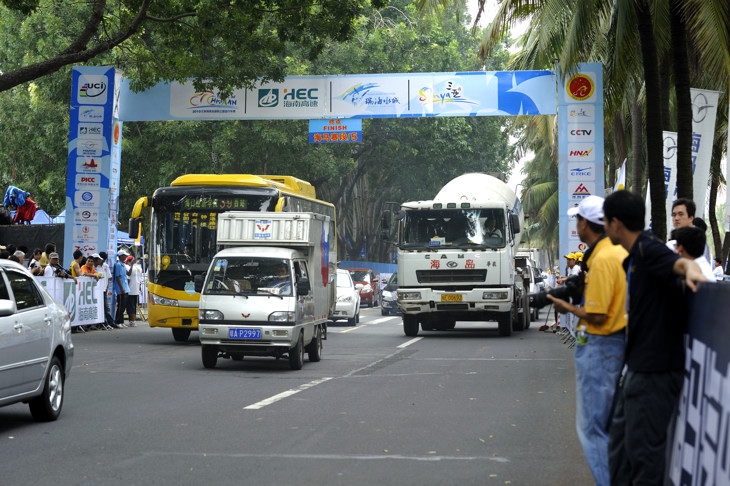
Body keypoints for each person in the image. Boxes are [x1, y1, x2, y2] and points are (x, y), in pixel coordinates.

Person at [602, 190, 707, 485]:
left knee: (644, 458)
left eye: (606, 222)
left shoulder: (649, 249)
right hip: (636, 370)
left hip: (655, 373)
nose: (605, 228)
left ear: (616, 223)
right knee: (619, 452)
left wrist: (691, 270)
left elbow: (683, 264)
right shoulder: (634, 256)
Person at [547, 195, 628, 486]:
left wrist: (564, 306)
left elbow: (596, 314)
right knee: (605, 427)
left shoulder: (604, 259)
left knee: (593, 430)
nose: (576, 225)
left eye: (577, 219)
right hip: (609, 347)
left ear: (587, 224)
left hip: (599, 346)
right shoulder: (612, 253)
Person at [96, 252, 116, 329]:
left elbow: (108, 278)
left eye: (104, 260)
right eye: (102, 259)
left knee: (106, 307)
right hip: (97, 290)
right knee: (99, 307)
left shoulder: (106, 266)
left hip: (104, 289)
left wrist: (107, 287)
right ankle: (102, 322)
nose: (103, 261)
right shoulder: (96, 267)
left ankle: (110, 322)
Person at [114, 250, 131, 326]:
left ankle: (121, 321)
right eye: (124, 255)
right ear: (121, 256)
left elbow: (128, 273)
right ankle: (118, 322)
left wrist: (132, 265)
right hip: (121, 289)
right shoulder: (118, 265)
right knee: (120, 306)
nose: (126, 257)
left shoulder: (123, 265)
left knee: (123, 306)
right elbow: (117, 277)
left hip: (125, 287)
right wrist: (121, 288)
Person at [126, 255, 142, 326]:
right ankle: (133, 321)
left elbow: (128, 278)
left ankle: (132, 321)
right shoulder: (139, 268)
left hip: (130, 290)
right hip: (136, 289)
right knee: (133, 305)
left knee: (130, 306)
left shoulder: (129, 267)